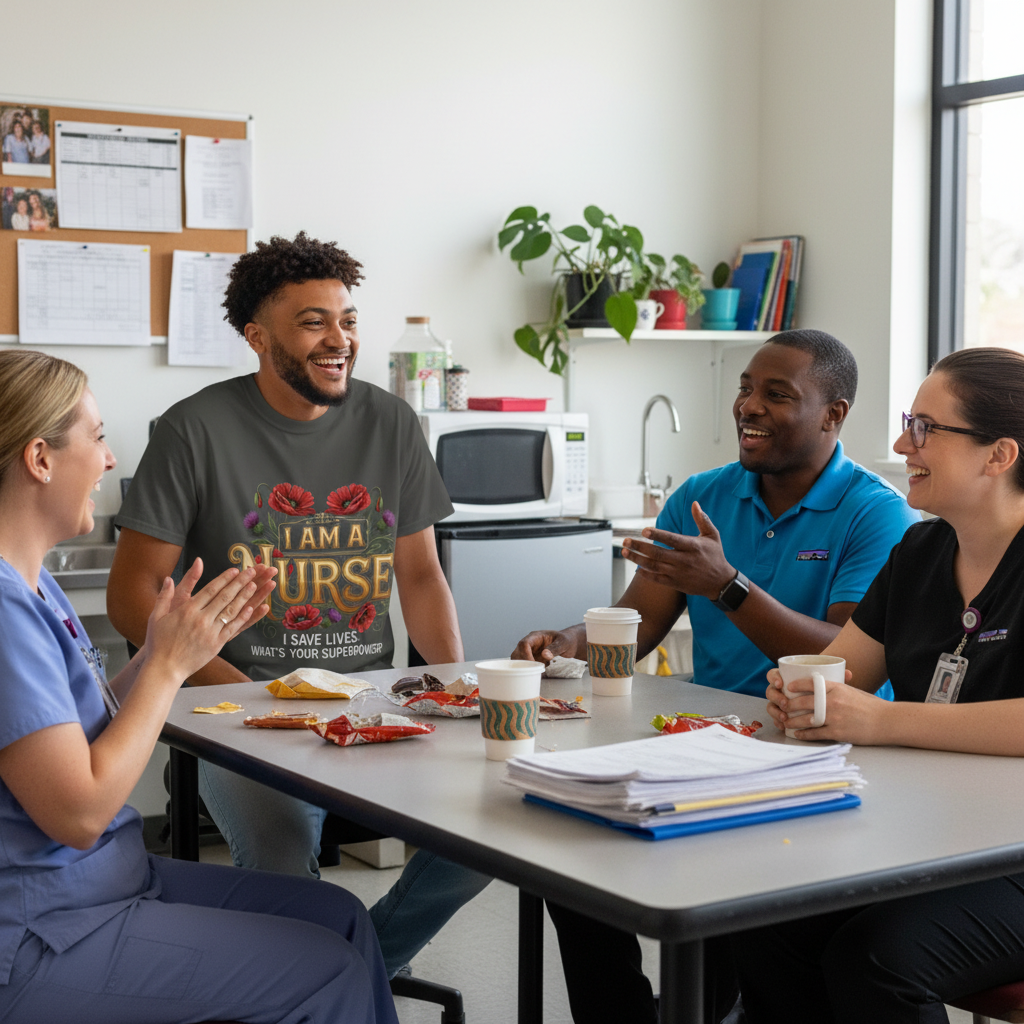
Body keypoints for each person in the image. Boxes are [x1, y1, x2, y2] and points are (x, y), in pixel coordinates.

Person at [108, 231, 491, 979]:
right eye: (313, 321)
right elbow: (133, 598)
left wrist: (452, 683)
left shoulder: (390, 422)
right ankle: (327, 976)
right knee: (280, 856)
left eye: (346, 319)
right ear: (258, 337)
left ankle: (358, 966)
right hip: (237, 705)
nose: (339, 338)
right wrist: (248, 697)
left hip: (372, 697)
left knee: (491, 830)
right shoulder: (194, 429)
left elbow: (418, 576)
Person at [512, 328, 920, 1024]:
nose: (748, 407)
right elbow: (639, 621)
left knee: (725, 926)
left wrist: (729, 585)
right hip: (706, 740)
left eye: (777, 394)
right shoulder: (704, 496)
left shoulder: (876, 513)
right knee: (567, 857)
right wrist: (571, 642)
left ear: (834, 414)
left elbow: (848, 656)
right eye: (744, 388)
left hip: (815, 755)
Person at [0, 348, 397, 1024]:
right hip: (47, 931)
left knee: (344, 918)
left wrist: (168, 649)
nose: (109, 460)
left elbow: (82, 730)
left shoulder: (35, 583)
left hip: (108, 883)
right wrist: (165, 668)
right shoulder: (5, 606)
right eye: (96, 438)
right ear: (40, 459)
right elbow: (79, 810)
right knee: (324, 969)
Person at [734, 346, 1024, 1024]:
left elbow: (874, 713)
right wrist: (802, 696)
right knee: (765, 921)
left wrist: (880, 720)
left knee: (878, 958)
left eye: (926, 428)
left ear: (998, 455)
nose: (901, 444)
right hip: (935, 838)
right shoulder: (919, 553)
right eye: (907, 421)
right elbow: (845, 672)